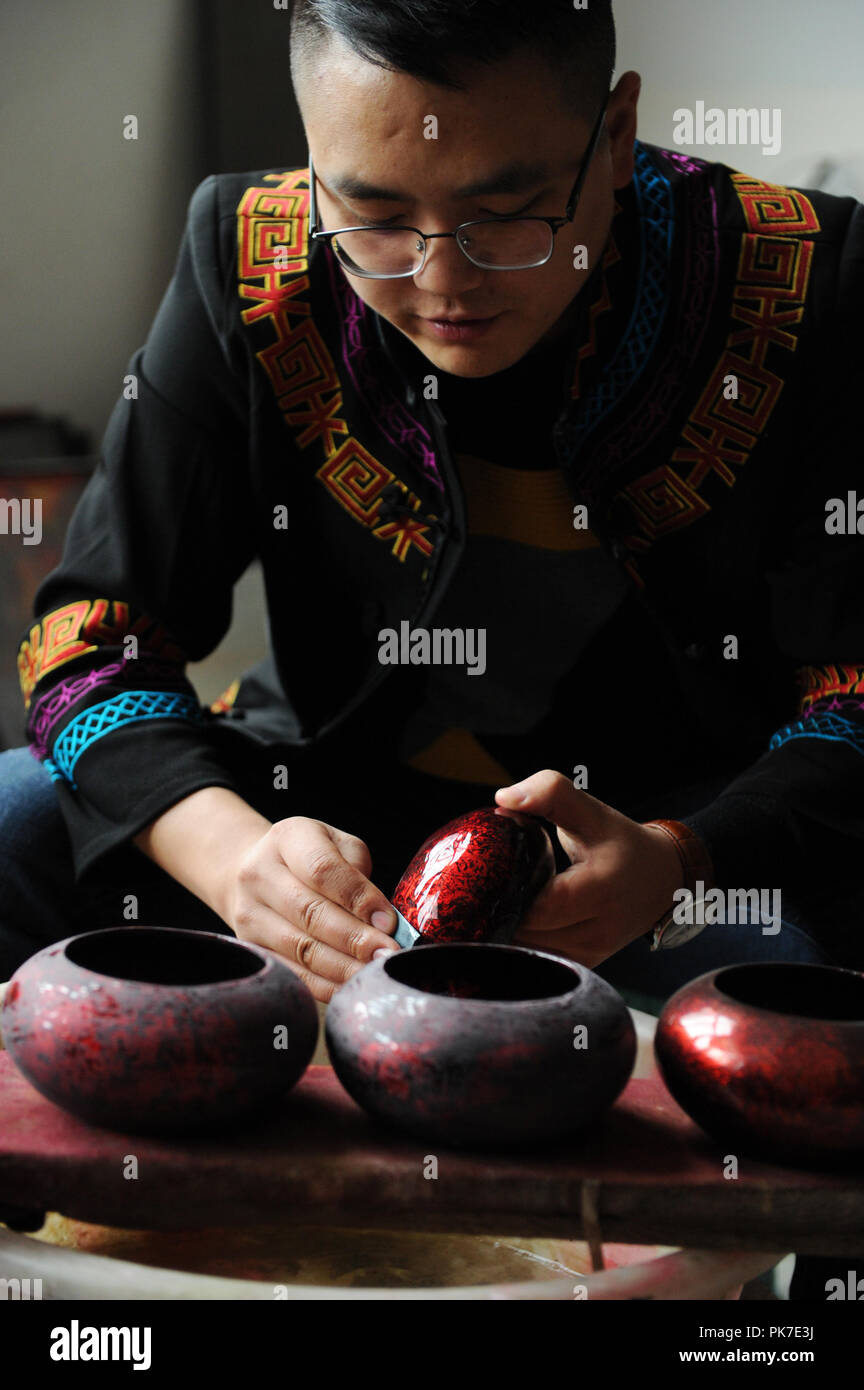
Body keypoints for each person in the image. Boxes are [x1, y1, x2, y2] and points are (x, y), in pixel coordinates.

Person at [3, 0, 862, 1018]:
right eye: (371, 216)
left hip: (652, 829)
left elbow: (852, 691)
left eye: (508, 216)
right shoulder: (251, 255)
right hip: (324, 799)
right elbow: (87, 642)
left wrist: (680, 860)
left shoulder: (799, 276)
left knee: (770, 977)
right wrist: (236, 857)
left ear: (617, 134)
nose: (441, 282)